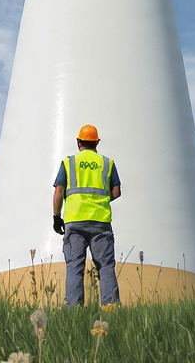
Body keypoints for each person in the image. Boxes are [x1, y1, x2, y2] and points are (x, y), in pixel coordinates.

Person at [52, 124, 121, 307]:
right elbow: (116, 191)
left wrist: (56, 216)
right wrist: (100, 201)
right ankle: (111, 308)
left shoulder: (69, 162)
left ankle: (74, 310)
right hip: (101, 222)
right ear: (96, 143)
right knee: (106, 266)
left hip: (74, 221)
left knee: (74, 266)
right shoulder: (107, 163)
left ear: (78, 142)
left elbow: (59, 191)